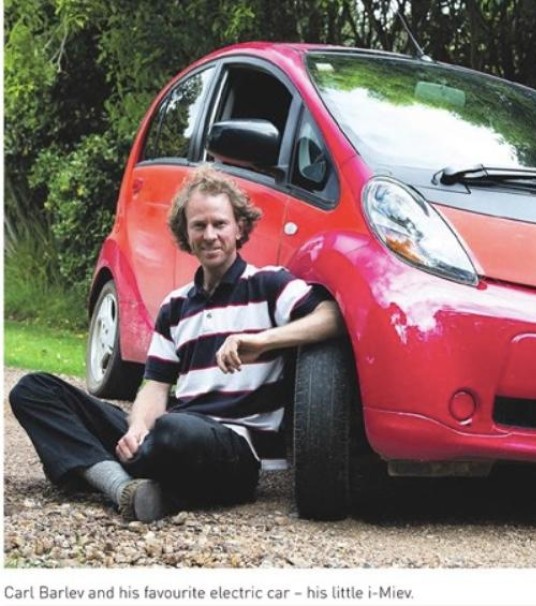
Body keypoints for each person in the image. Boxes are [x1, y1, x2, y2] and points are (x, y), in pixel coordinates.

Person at [9, 165, 344, 522]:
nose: (210, 235)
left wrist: (262, 342)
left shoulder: (269, 284)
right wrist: (137, 428)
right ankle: (125, 488)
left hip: (234, 450)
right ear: (186, 233)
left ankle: (97, 468)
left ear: (240, 227)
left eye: (220, 224)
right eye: (199, 225)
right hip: (172, 434)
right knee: (33, 390)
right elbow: (154, 387)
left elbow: (333, 318)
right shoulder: (175, 305)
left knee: (173, 431)